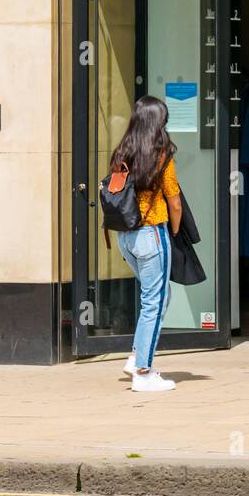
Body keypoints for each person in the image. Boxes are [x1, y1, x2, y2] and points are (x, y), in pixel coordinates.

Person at [109, 95, 183, 393]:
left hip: (126, 236)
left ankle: (136, 356)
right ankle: (144, 371)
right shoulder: (161, 154)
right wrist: (175, 232)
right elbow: (174, 201)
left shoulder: (122, 152)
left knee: (157, 297)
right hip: (152, 234)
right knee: (154, 301)